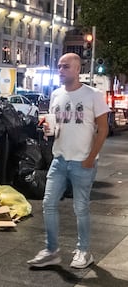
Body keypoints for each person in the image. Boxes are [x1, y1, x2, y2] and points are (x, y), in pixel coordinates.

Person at [27, 53, 110, 269]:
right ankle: (51, 250)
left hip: (83, 160)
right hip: (60, 158)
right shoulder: (56, 95)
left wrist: (91, 158)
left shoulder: (93, 95)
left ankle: (84, 251)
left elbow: (103, 129)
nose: (60, 71)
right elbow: (55, 126)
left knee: (81, 208)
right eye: (59, 67)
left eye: (65, 67)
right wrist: (47, 130)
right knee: (48, 204)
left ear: (76, 70)